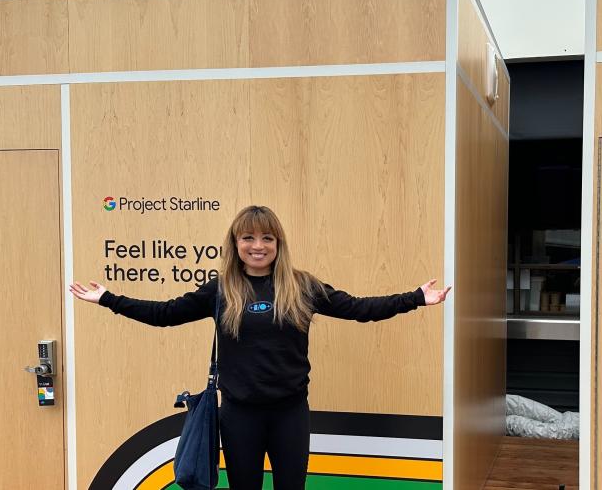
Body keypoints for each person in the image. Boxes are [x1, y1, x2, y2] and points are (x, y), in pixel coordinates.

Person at [69, 205, 450, 490]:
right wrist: (109, 298)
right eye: (248, 238)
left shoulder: (302, 286)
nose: (258, 246)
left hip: (290, 415)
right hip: (239, 417)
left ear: (278, 244)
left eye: (267, 238)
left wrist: (415, 297)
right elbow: (165, 313)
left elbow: (360, 309)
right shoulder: (220, 290)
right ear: (236, 244)